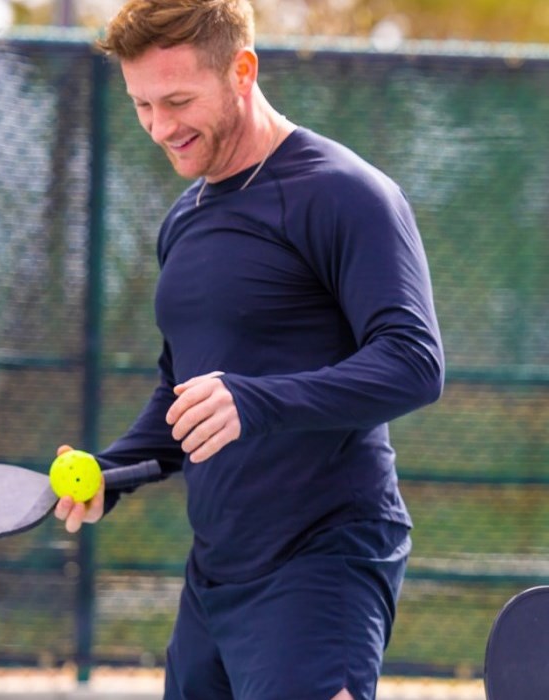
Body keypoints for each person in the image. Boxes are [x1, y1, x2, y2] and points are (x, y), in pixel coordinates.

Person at [50, 1, 445, 698]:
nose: (160, 127)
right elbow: (184, 397)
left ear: (243, 70)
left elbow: (414, 362)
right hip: (215, 572)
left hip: (323, 563)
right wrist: (111, 474)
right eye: (142, 104)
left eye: (177, 101)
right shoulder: (185, 218)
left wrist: (254, 400)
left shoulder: (345, 194)